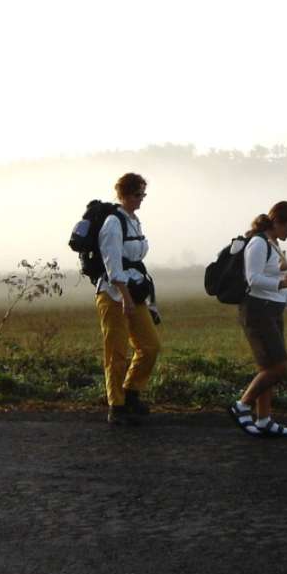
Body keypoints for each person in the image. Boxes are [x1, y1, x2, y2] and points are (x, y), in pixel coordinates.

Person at [228, 201, 287, 438]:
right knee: (278, 365)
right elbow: (253, 279)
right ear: (279, 221)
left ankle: (263, 420)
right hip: (257, 309)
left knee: (267, 367)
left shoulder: (274, 245)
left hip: (273, 308)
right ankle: (242, 405)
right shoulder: (259, 243)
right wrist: (283, 283)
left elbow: (279, 280)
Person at [96, 172, 161, 426]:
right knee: (117, 352)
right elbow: (112, 263)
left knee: (150, 346)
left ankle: (132, 391)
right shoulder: (113, 222)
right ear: (123, 194)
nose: (141, 199)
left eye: (143, 194)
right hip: (114, 294)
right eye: (137, 195)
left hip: (133, 291)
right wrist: (124, 297)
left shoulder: (133, 220)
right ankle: (117, 406)